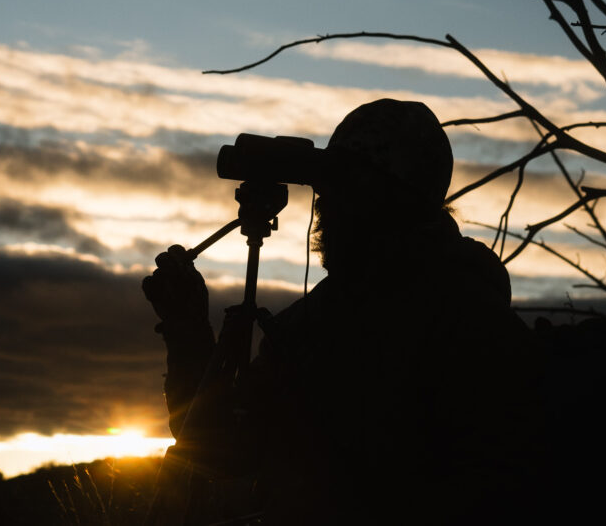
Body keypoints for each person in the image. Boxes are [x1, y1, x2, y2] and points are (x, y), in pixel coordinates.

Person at [143, 99, 546, 525]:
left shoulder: (468, 321)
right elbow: (219, 448)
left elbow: (496, 483)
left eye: (348, 186)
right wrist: (186, 331)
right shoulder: (310, 324)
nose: (325, 205)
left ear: (397, 198)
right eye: (328, 187)